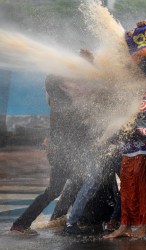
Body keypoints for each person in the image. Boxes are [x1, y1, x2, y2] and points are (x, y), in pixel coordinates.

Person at [9, 75, 76, 235]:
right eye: (67, 82)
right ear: (61, 86)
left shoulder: (56, 100)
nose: (71, 84)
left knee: (65, 187)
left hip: (60, 152)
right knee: (58, 189)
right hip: (63, 154)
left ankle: (31, 222)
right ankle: (22, 224)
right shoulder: (63, 102)